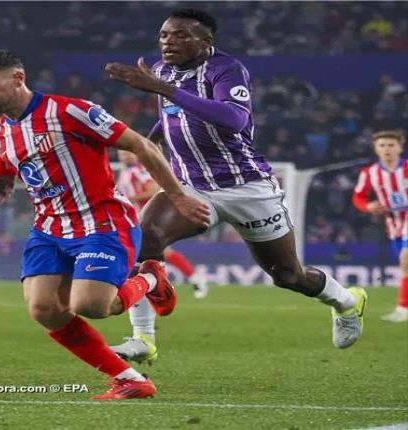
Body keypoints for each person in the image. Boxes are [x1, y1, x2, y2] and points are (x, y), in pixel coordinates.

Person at [0, 49, 210, 400]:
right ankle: (130, 380)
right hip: (49, 230)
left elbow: (141, 146)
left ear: (18, 79)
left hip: (101, 222)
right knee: (44, 309)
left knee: (91, 306)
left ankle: (150, 278)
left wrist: (178, 197)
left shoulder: (69, 111)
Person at [104, 8, 367, 353]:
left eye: (181, 35)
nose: (169, 42)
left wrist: (162, 89)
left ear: (205, 41)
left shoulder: (226, 69)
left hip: (247, 187)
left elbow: (234, 119)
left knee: (288, 276)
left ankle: (347, 301)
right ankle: (143, 338)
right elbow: (173, 115)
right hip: (191, 186)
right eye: (165, 35)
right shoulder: (162, 71)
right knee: (144, 239)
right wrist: (147, 141)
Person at [111, 149, 208, 364]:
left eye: (128, 152)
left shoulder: (140, 170)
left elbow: (154, 188)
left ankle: (172, 283)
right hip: (137, 221)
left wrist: (130, 198)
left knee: (149, 258)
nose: (125, 156)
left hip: (151, 221)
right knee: (153, 258)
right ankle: (168, 284)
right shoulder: (126, 173)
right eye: (121, 153)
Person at [352, 130, 408, 323]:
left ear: (400, 148)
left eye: (391, 145)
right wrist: (368, 206)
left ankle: (403, 308)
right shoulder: (370, 173)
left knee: (405, 259)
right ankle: (403, 307)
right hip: (394, 224)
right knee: (405, 265)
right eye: (382, 145)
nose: (387, 149)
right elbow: (358, 196)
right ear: (376, 149)